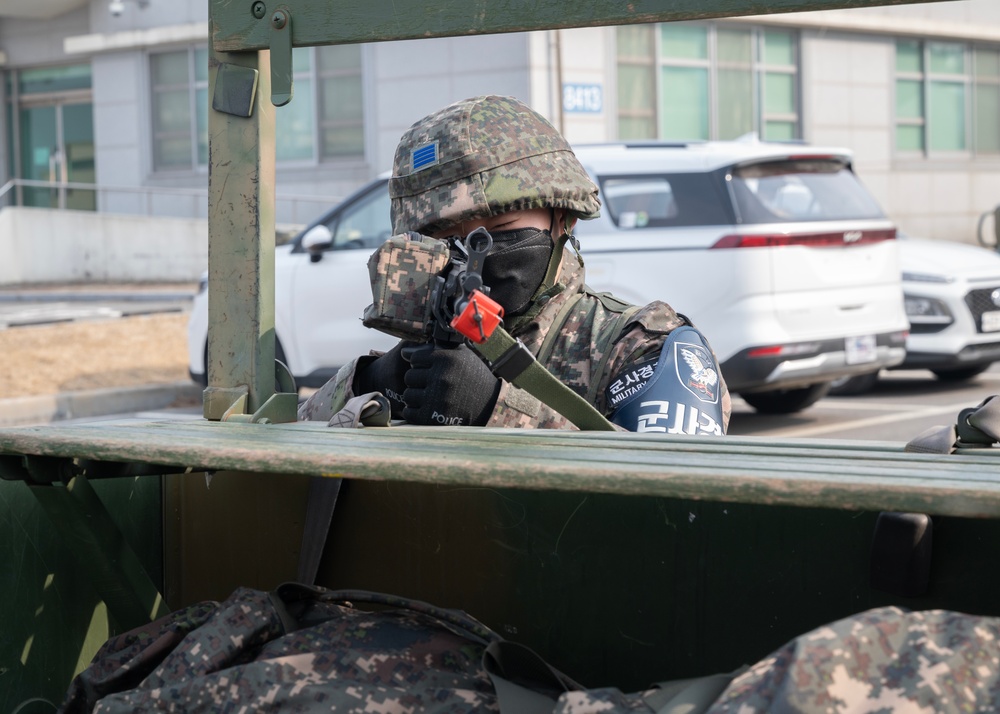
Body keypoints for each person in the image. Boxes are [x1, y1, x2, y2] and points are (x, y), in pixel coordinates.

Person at [298, 95, 730, 434]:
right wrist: (370, 382)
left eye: (501, 225)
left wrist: (495, 408)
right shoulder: (423, 352)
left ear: (563, 217)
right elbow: (288, 450)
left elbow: (677, 493)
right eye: (446, 237)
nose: (471, 250)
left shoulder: (641, 347)